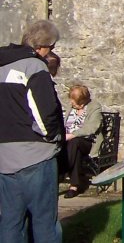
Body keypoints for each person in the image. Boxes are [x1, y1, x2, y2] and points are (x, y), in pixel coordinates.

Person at [0, 20, 64, 243]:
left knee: (10, 223)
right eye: (52, 47)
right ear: (43, 47)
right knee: (45, 223)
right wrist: (53, 138)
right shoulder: (34, 67)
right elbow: (45, 114)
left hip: (4, 158)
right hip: (35, 156)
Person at [60, 86, 102, 199]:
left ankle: (61, 176)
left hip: (87, 141)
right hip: (70, 142)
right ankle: (74, 186)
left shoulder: (94, 107)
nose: (71, 103)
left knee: (74, 143)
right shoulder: (71, 106)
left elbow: (91, 128)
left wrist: (72, 135)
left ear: (82, 102)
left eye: (74, 102)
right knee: (73, 149)